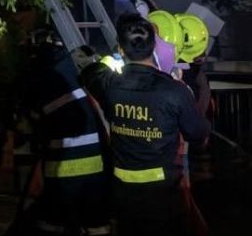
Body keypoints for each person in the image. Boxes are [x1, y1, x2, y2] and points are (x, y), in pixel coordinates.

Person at [81, 13, 210, 236]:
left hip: (123, 195)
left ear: (121, 49)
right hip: (164, 195)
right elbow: (198, 134)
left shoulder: (109, 84)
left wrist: (105, 59)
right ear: (153, 47)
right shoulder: (174, 90)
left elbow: (90, 72)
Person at [12, 37, 111, 236]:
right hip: (97, 170)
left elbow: (29, 126)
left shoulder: (37, 79)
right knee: (95, 224)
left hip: (61, 171)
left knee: (53, 223)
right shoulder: (76, 71)